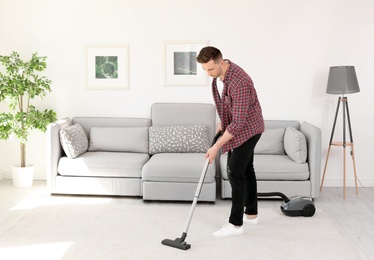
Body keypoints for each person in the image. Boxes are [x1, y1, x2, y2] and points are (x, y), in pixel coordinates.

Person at [196, 46, 264, 238]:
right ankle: (251, 215)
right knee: (246, 169)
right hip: (244, 125)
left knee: (235, 172)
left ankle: (235, 225)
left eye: (210, 69)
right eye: (205, 70)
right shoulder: (226, 74)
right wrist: (221, 122)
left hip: (249, 130)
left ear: (221, 62)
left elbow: (239, 123)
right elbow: (231, 105)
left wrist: (216, 146)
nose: (209, 74)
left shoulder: (239, 82)